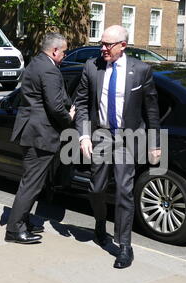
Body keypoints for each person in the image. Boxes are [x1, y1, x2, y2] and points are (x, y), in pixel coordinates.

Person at [75, 25, 161, 269]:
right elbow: (81, 103)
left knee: (124, 191)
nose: (103, 48)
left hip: (128, 138)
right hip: (101, 135)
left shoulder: (141, 70)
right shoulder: (92, 67)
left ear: (123, 45)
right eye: (101, 44)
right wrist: (83, 136)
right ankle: (100, 223)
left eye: (108, 45)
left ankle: (124, 245)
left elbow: (151, 110)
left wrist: (154, 143)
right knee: (96, 188)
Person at [5, 33, 75, 244]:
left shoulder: (35, 63)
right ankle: (14, 230)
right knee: (32, 184)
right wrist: (69, 118)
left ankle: (23, 221)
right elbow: (54, 106)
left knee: (31, 181)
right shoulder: (49, 70)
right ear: (55, 50)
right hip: (41, 135)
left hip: (30, 130)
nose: (64, 56)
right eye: (63, 52)